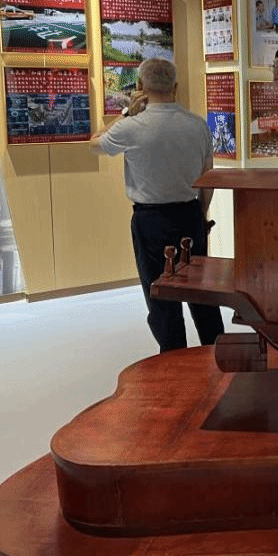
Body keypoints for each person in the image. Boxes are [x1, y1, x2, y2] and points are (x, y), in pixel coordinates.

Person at [89, 57, 224, 353]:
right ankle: (217, 357)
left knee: (160, 296)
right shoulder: (198, 126)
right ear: (175, 87)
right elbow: (208, 177)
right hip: (189, 213)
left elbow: (94, 143)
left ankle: (173, 361)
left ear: (140, 86)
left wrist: (126, 113)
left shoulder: (131, 127)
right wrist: (201, 215)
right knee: (203, 295)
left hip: (150, 220)